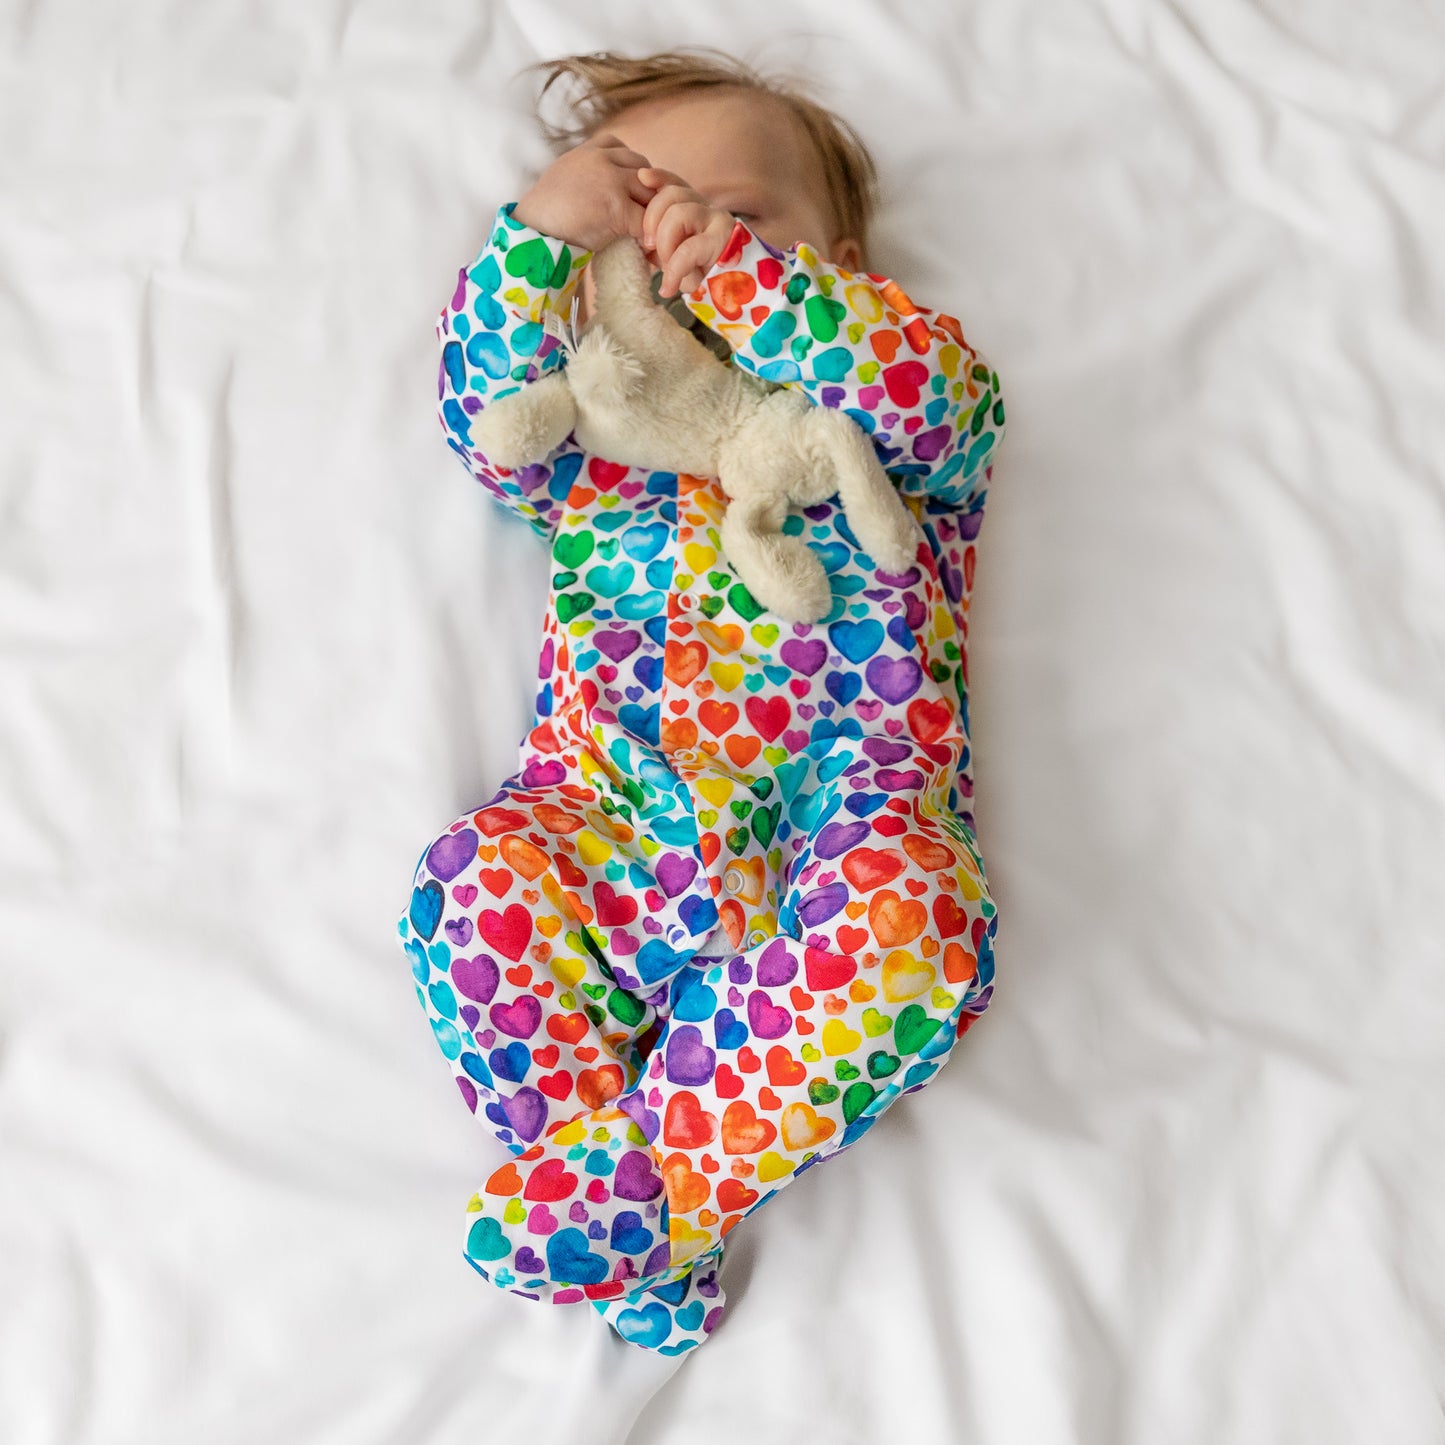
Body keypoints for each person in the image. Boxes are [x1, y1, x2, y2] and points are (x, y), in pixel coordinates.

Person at [399, 47, 1006, 1356]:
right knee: (472, 888)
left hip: (833, 832)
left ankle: (654, 1190)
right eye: (639, 218)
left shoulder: (890, 430)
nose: (674, 241)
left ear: (844, 262)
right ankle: (632, 1206)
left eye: (735, 212)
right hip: (609, 822)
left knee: (922, 923)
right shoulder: (594, 448)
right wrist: (536, 241)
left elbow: (936, 392)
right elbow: (482, 417)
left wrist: (747, 281)